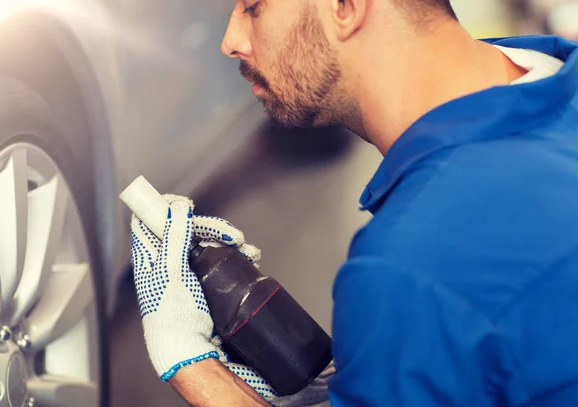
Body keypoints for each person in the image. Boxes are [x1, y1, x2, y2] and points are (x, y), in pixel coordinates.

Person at [129, 0, 578, 405]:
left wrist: (192, 365)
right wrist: (370, 375)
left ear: (346, 6)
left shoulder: (412, 269)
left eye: (253, 6)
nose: (231, 41)